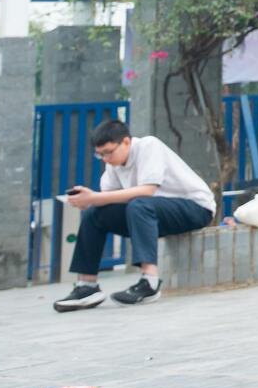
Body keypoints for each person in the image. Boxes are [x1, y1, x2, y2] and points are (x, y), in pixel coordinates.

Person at [53, 119, 216, 311]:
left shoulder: (149, 146)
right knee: (95, 213)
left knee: (139, 204)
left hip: (195, 209)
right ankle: (87, 286)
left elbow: (147, 190)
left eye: (109, 152)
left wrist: (96, 197)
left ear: (126, 142)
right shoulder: (113, 163)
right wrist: (89, 201)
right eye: (100, 155)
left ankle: (150, 282)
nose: (105, 159)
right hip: (153, 213)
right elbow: (108, 199)